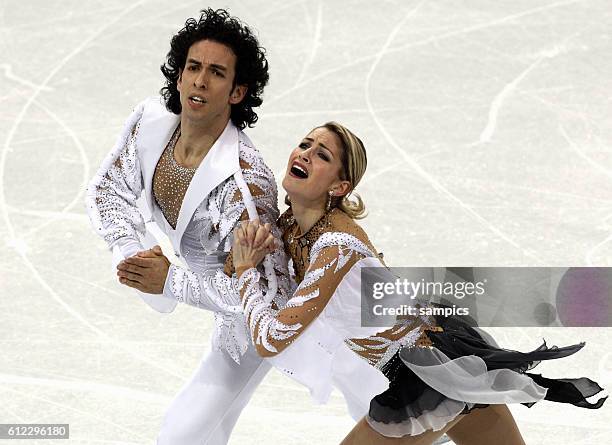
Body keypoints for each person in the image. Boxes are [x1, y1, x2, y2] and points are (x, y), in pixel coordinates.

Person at [231, 121, 607, 444]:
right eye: (305, 144)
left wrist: (248, 270)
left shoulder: (336, 247)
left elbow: (271, 339)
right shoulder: (290, 227)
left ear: (340, 186)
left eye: (322, 155)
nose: (306, 153)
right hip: (437, 352)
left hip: (430, 369)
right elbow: (240, 271)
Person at [85, 9, 291, 444]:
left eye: (216, 73)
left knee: (183, 434)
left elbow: (270, 298)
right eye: (193, 67)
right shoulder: (151, 121)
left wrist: (171, 282)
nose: (199, 81)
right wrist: (130, 253)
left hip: (262, 325)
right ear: (178, 77)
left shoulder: (243, 186)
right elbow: (108, 190)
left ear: (237, 92)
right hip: (230, 307)